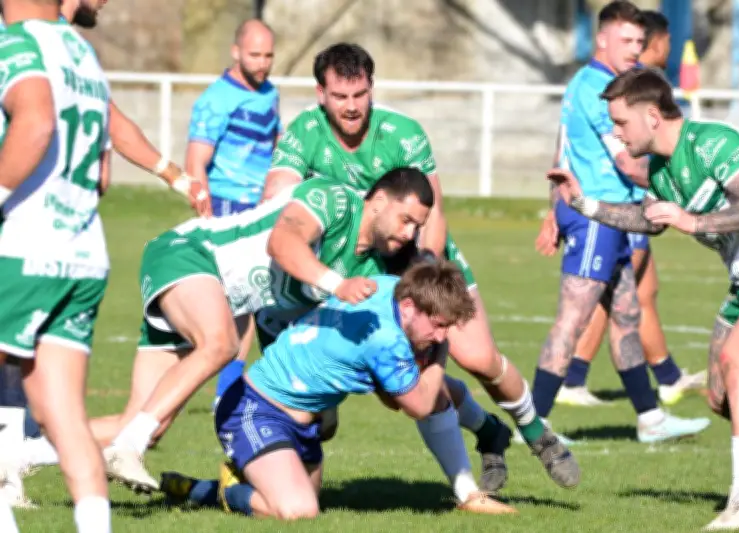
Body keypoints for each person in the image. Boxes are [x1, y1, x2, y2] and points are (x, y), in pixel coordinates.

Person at [262, 42, 579, 493]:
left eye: (360, 95)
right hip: (362, 270)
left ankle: (536, 433)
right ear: (320, 93)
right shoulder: (303, 132)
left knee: (477, 357)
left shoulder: (402, 134)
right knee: (399, 394)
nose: (351, 107)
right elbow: (277, 197)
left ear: (372, 89)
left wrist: (429, 276)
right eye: (340, 96)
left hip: (420, 257)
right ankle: (487, 432)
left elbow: (433, 213)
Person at [548, 66, 739, 530]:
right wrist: (583, 204)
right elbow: (649, 218)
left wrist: (695, 222)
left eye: (621, 123)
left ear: (652, 116)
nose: (616, 133)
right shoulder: (663, 170)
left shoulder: (715, 140)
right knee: (720, 395)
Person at [92, 170, 438, 494]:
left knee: (144, 420)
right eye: (405, 220)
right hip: (191, 254)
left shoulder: (369, 269)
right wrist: (337, 285)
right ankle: (127, 447)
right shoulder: (334, 199)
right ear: (377, 201)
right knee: (221, 343)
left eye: (417, 227)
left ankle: (37, 449)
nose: (409, 233)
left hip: (214, 295)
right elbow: (282, 242)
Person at [0, 0, 209, 497]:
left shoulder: (68, 47)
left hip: (32, 223)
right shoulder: (39, 41)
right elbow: (87, 154)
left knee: (17, 357)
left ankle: (8, 474)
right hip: (39, 220)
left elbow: (108, 131)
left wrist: (175, 177)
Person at [161, 261, 515, 518]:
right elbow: (419, 406)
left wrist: (432, 352)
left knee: (298, 499)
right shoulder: (385, 340)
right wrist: (440, 354)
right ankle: (228, 489)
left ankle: (196, 490)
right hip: (255, 410)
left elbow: (402, 397)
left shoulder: (388, 287)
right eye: (439, 326)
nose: (440, 336)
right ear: (409, 307)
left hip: (303, 423)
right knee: (299, 511)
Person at [530, 0, 709, 444]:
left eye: (639, 41)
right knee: (572, 319)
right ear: (602, 38)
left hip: (606, 217)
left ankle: (651, 418)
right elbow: (628, 164)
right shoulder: (600, 91)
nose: (636, 48)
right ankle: (532, 424)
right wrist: (682, 188)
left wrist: (553, 209)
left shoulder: (588, 83)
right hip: (598, 217)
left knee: (627, 314)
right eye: (627, 40)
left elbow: (561, 154)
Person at [0, 0, 113, 531]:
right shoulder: (82, 52)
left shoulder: (17, 44)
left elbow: (37, 121)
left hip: (25, 248)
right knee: (64, 417)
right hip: (84, 252)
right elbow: (104, 175)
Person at [184, 19, 282, 409]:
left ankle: (260, 388)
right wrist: (207, 215)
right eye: (255, 55)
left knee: (266, 303)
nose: (263, 63)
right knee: (237, 309)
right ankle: (226, 392)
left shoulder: (270, 93)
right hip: (227, 208)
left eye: (269, 55)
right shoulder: (215, 100)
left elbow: (276, 147)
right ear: (236, 52)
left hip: (265, 210)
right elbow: (196, 161)